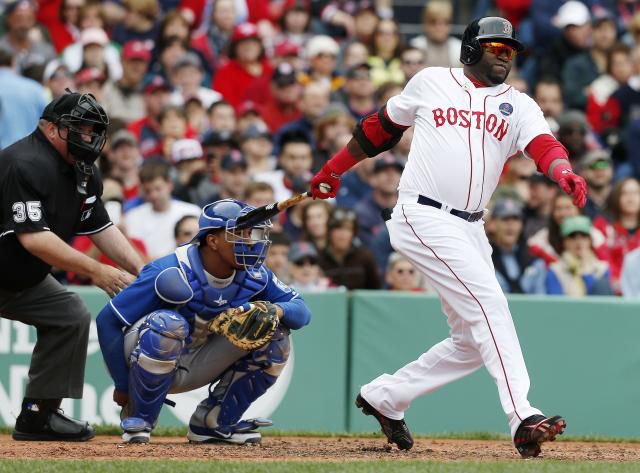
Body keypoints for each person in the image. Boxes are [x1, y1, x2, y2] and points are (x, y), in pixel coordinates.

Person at [309, 17, 588, 457]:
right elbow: (380, 128)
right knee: (491, 305)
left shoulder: (519, 104)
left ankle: (387, 396)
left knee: (474, 341)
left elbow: (543, 147)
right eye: (496, 46)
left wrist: (564, 171)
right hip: (421, 213)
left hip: (471, 226)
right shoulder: (432, 81)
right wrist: (334, 168)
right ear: (471, 48)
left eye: (510, 49)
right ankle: (522, 416)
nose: (504, 54)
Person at [96, 199, 311, 443]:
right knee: (168, 323)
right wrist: (122, 385)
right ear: (213, 240)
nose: (250, 242)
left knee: (276, 335)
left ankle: (213, 422)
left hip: (200, 359)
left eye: (251, 233)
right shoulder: (170, 270)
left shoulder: (256, 274)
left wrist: (275, 310)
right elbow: (107, 321)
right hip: (144, 356)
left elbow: (302, 313)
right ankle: (139, 418)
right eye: (240, 234)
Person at [0, 91, 144, 441]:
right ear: (50, 129)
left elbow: (101, 227)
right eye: (79, 128)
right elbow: (34, 238)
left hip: (18, 278)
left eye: (93, 129)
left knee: (69, 315)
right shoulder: (24, 162)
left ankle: (39, 415)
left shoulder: (83, 171)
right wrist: (97, 271)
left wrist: (144, 272)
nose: (88, 136)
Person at [545, 216, 612, 296]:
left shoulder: (603, 268)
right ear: (564, 242)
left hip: (596, 308)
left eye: (583, 236)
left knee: (602, 284)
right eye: (572, 236)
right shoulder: (555, 270)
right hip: (568, 308)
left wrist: (586, 269)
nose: (578, 241)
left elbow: (601, 301)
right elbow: (556, 303)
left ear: (590, 240)